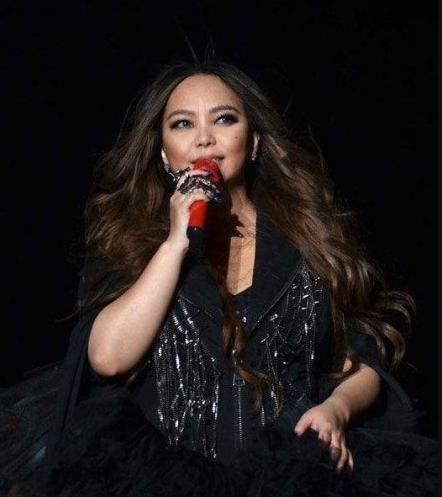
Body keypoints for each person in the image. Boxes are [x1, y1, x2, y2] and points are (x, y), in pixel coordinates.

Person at [0, 60, 437, 497]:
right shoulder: (131, 242)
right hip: (161, 477)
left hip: (291, 474)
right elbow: (108, 358)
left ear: (254, 142)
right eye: (183, 124)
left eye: (224, 119)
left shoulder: (310, 238)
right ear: (163, 152)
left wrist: (336, 410)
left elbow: (360, 361)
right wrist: (175, 243)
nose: (204, 138)